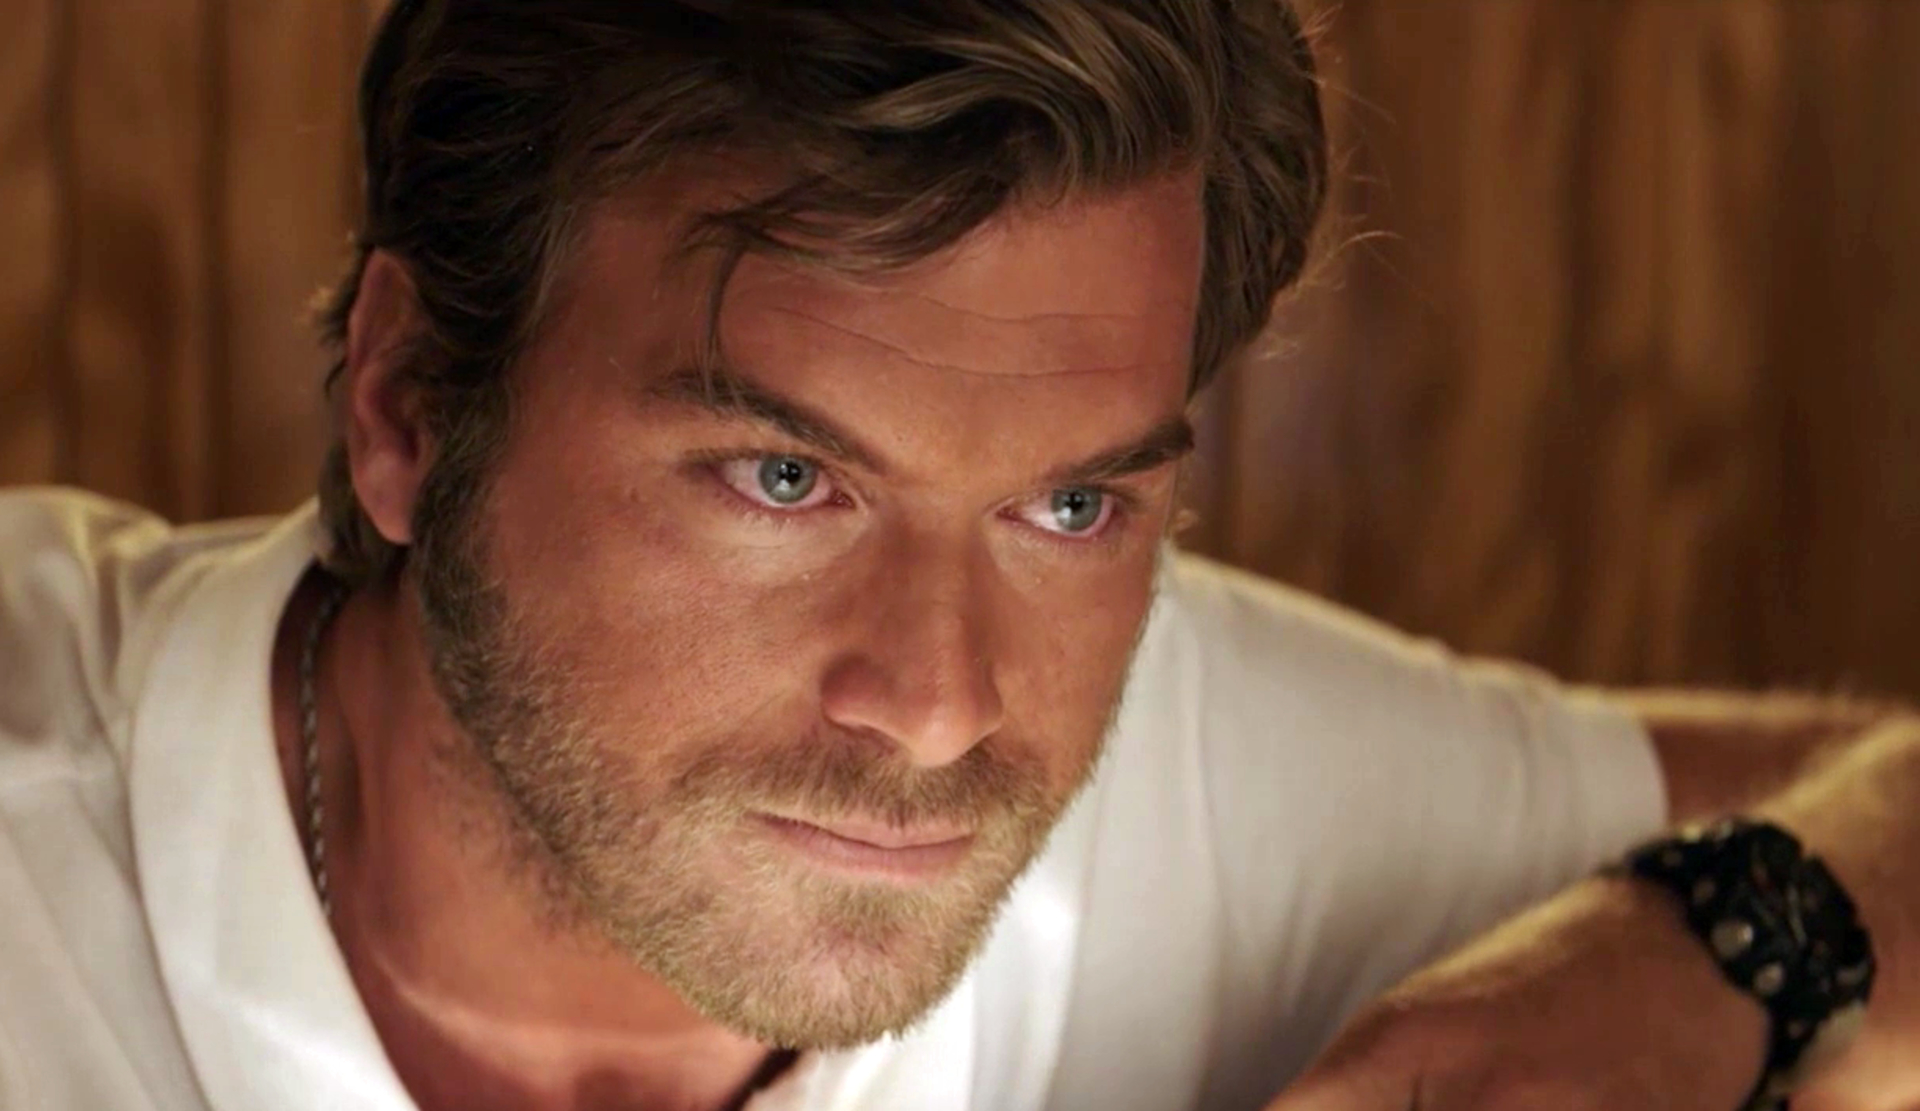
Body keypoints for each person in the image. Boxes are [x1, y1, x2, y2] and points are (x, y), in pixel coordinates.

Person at [1, 2, 1915, 1109]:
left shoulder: (1191, 765)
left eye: (1069, 507)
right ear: (409, 403)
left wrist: (1700, 955)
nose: (940, 706)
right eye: (782, 479)